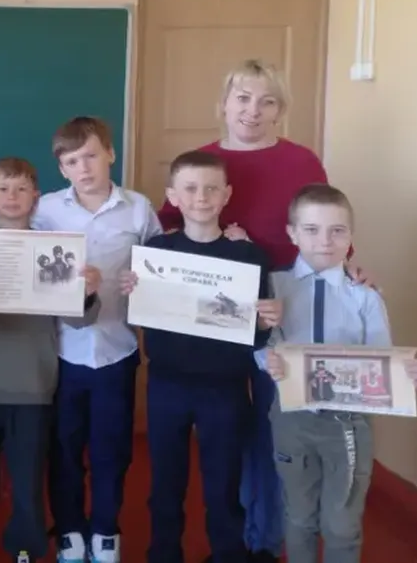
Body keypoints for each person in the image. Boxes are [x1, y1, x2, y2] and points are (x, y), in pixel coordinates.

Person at [156, 60, 346, 563]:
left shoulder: (302, 161)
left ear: (280, 110)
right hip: (211, 311)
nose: (253, 111)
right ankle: (230, 535)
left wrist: (351, 268)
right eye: (243, 98)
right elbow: (168, 229)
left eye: (267, 101)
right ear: (224, 104)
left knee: (271, 424)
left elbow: (325, 223)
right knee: (223, 427)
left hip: (282, 302)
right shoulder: (203, 163)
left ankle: (261, 541)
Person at [120, 150, 282, 563]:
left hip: (225, 388)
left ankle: (227, 554)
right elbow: (140, 316)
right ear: (173, 196)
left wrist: (266, 323)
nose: (201, 197)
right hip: (166, 384)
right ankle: (164, 554)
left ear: (227, 195)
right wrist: (133, 291)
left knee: (223, 485)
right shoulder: (157, 251)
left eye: (212, 189)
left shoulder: (249, 257)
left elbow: (256, 335)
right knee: (165, 483)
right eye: (190, 189)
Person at [265, 184, 417, 563]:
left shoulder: (365, 296)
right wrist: (267, 360)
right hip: (292, 420)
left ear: (351, 236)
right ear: (292, 233)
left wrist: (403, 374)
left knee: (342, 524)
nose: (325, 241)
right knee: (298, 515)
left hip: (349, 426)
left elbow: (382, 358)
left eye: (337, 230)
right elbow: (261, 340)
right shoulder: (272, 287)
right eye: (311, 230)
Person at [0, 157, 102, 563]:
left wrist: (87, 291)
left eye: (21, 189)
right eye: (3, 189)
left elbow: (79, 319)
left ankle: (25, 547)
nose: (12, 197)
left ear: (36, 196)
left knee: (28, 479)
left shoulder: (54, 249)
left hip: (33, 385)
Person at [31, 116, 163, 563]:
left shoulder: (138, 208)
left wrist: (144, 281)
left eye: (90, 156)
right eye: (71, 161)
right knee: (64, 448)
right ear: (61, 168)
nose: (83, 168)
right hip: (61, 353)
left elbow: (164, 265)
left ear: (110, 153)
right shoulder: (46, 210)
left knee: (112, 449)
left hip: (116, 351)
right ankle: (69, 529)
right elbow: (18, 255)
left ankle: (106, 529)